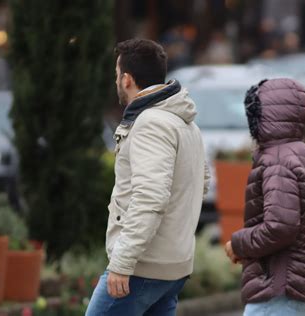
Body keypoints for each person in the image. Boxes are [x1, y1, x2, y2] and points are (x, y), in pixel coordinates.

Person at [86, 39, 210, 316]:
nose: (116, 80)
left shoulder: (151, 123)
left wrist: (122, 262)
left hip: (142, 267)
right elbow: (199, 185)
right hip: (173, 268)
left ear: (127, 79)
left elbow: (149, 197)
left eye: (117, 75)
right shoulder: (185, 123)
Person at [225, 79, 305, 316]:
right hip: (298, 282)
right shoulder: (300, 152)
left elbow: (280, 226)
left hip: (280, 285)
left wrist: (238, 244)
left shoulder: (276, 161)